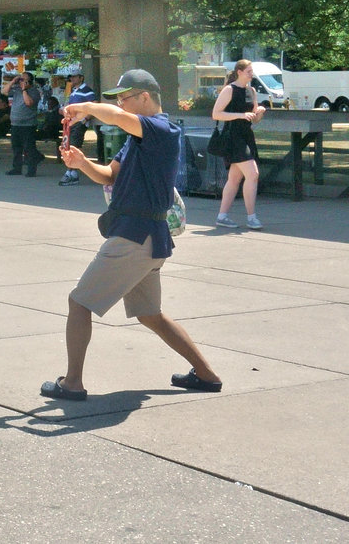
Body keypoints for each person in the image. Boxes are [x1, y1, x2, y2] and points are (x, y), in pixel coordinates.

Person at [45, 69, 223, 402]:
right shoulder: (139, 138)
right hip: (148, 240)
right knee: (149, 314)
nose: (120, 105)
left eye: (124, 98)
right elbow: (108, 176)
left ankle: (72, 384)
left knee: (79, 302)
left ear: (144, 96)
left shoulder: (162, 129)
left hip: (133, 237)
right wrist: (82, 163)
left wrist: (84, 107)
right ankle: (207, 374)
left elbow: (112, 116)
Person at [212, 59, 267, 229]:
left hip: (246, 135)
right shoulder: (229, 90)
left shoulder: (251, 91)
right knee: (253, 174)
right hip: (233, 136)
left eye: (252, 71)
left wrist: (260, 113)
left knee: (235, 178)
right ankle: (251, 217)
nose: (252, 74)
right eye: (249, 71)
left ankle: (222, 216)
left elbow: (254, 119)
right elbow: (216, 114)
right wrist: (240, 115)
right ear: (239, 72)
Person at [60, 71, 97, 186]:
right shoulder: (72, 90)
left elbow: (94, 105)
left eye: (75, 77)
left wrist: (85, 120)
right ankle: (71, 171)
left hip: (79, 122)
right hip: (70, 122)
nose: (72, 79)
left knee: (74, 146)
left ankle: (73, 173)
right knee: (67, 146)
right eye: (71, 77)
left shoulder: (86, 90)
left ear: (81, 78)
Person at [4, 70, 41, 177]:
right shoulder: (17, 90)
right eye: (20, 79)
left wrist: (24, 89)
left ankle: (31, 170)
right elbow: (4, 92)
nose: (20, 82)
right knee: (16, 148)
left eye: (23, 80)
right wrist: (13, 81)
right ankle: (17, 168)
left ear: (29, 82)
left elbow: (28, 103)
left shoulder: (34, 92)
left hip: (28, 125)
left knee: (29, 148)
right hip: (15, 124)